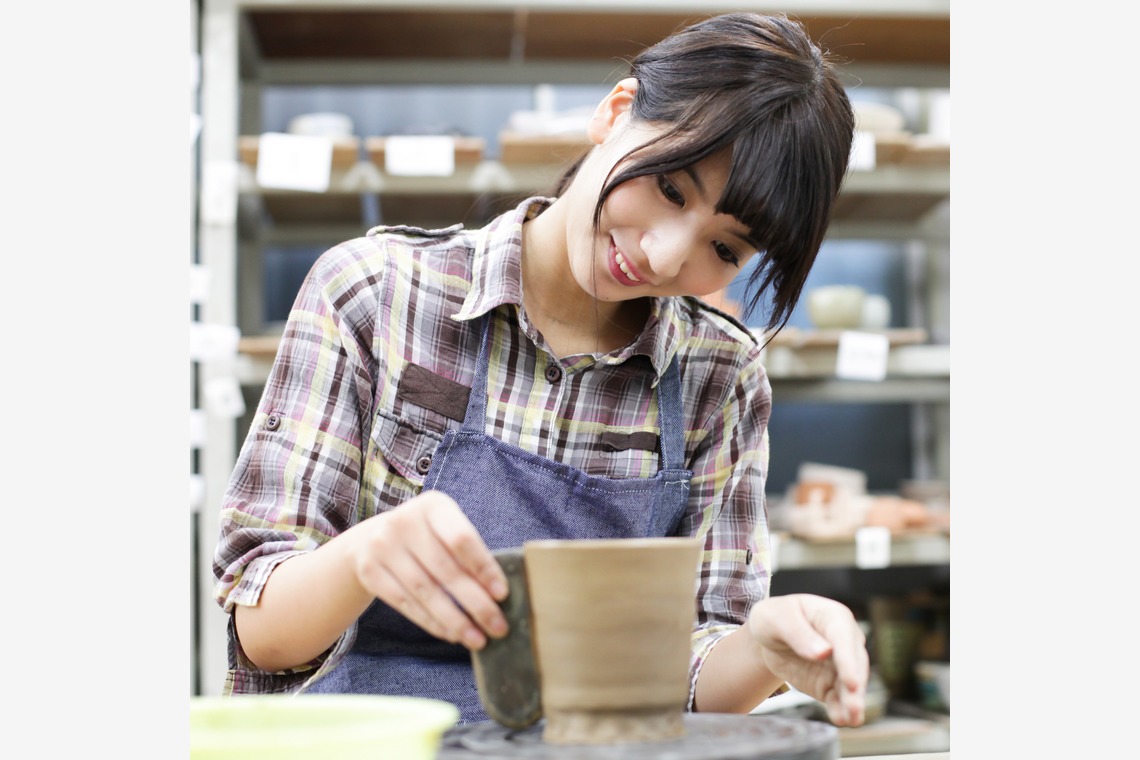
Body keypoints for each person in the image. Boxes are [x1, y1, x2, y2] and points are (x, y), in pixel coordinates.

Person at [212, 11, 869, 728]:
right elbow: (262, 637)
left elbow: (690, 672)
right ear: (616, 113)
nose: (663, 255)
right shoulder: (374, 292)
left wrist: (764, 649)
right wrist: (364, 556)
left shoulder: (719, 375)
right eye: (672, 189)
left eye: (726, 250)